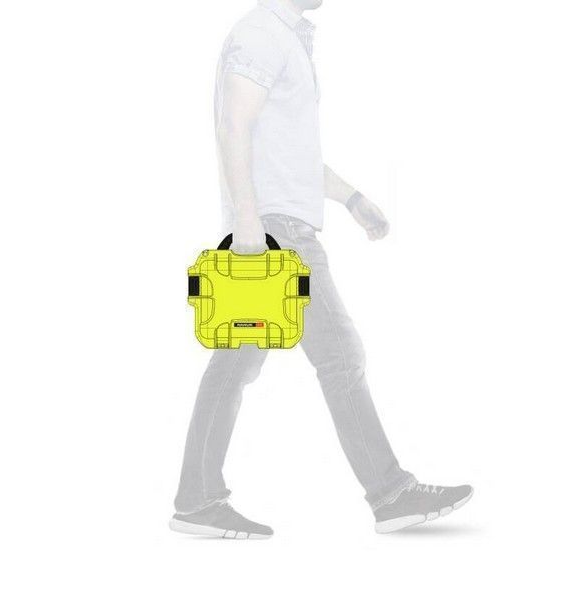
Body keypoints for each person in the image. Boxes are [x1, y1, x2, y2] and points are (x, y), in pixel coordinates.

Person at [170, 0, 473, 539]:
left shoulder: (283, 37)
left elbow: (292, 157)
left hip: (275, 225)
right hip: (276, 233)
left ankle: (196, 500)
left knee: (235, 364)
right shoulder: (260, 33)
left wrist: (352, 198)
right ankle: (391, 494)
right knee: (340, 354)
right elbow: (232, 124)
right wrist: (248, 225)